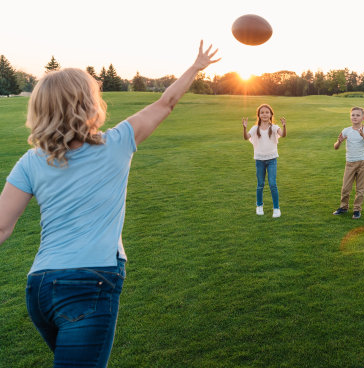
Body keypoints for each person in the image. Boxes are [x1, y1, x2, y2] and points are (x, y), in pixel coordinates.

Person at [0, 40, 220, 366]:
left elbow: (2, 227)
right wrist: (196, 67)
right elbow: (166, 102)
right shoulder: (116, 143)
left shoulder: (31, 162)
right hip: (90, 284)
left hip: (40, 287)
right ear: (89, 104)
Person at [242, 104, 286, 218]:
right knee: (260, 184)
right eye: (262, 112)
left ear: (271, 114)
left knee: (272, 184)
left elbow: (283, 135)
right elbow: (246, 137)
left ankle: (276, 208)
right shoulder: (255, 128)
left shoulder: (275, 127)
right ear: (259, 115)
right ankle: (259, 205)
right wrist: (244, 128)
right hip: (259, 160)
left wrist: (284, 126)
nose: (265, 114)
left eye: (267, 112)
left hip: (272, 160)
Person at [332, 106, 364, 219]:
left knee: (360, 188)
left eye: (358, 115)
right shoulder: (346, 130)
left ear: (363, 118)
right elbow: (335, 147)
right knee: (345, 187)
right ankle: (343, 207)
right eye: (353, 115)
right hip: (350, 162)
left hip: (363, 162)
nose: (355, 117)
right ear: (350, 117)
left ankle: (357, 210)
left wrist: (363, 135)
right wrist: (339, 142)